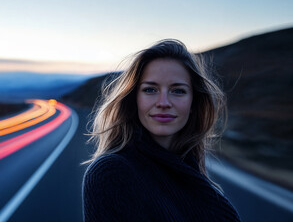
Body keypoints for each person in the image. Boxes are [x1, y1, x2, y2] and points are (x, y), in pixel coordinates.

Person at [82, 39, 241, 221]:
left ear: (193, 103)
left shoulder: (194, 176)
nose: (163, 103)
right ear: (135, 99)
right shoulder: (110, 173)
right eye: (150, 90)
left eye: (178, 91)